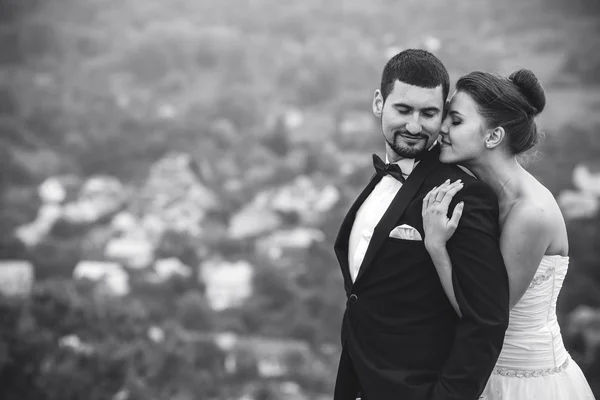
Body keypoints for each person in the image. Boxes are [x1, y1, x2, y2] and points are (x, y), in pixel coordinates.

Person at [333, 49, 510, 400]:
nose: (415, 126)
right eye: (403, 109)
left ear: (442, 114)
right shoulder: (378, 181)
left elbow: (486, 321)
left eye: (429, 113)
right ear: (379, 103)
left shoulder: (461, 195)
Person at [422, 69, 596, 399]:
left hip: (527, 383)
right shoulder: (488, 197)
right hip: (483, 374)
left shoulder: (530, 213)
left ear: (493, 136)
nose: (441, 128)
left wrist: (436, 247)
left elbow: (484, 315)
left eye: (455, 121)